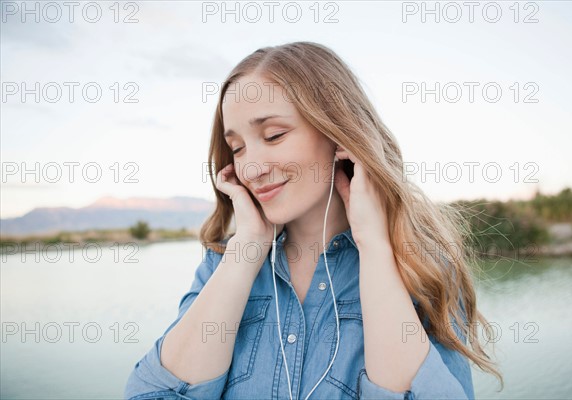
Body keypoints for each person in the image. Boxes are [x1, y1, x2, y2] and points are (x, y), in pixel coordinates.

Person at [124, 41, 503, 400]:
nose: (251, 168)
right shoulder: (221, 265)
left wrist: (374, 247)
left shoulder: (421, 266)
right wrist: (249, 246)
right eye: (237, 148)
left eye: (273, 135)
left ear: (337, 132)